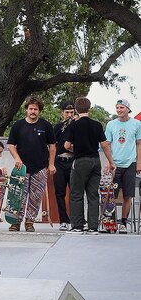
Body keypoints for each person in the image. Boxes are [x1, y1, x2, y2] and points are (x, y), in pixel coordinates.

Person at [64, 97, 116, 233]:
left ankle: (77, 225)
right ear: (89, 108)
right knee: (93, 194)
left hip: (80, 161)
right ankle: (93, 227)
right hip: (95, 161)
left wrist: (76, 149)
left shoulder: (74, 125)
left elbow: (67, 145)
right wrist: (111, 162)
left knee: (76, 194)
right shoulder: (97, 125)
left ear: (76, 109)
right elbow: (104, 145)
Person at [7, 96, 57, 232]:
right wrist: (17, 158)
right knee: (18, 196)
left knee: (35, 197)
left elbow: (52, 146)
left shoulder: (46, 125)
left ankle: (29, 221)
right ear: (26, 110)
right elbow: (11, 145)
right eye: (30, 109)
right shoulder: (18, 125)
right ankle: (15, 222)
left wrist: (51, 164)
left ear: (39, 111)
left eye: (35, 109)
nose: (33, 111)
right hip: (21, 169)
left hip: (40, 168)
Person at [105, 98, 141, 232]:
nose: (119, 110)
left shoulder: (137, 124)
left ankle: (124, 222)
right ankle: (110, 223)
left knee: (128, 195)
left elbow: (139, 144)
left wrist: (139, 162)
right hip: (115, 164)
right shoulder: (111, 125)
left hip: (130, 163)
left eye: (121, 108)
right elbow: (107, 144)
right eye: (117, 108)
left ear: (128, 109)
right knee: (111, 195)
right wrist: (109, 162)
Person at [52, 101, 77, 231]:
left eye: (71, 112)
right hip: (59, 161)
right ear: (62, 112)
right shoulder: (57, 127)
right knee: (60, 192)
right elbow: (52, 146)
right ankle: (63, 220)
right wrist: (51, 163)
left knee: (75, 192)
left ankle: (76, 220)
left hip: (73, 161)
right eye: (67, 112)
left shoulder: (78, 125)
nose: (69, 114)